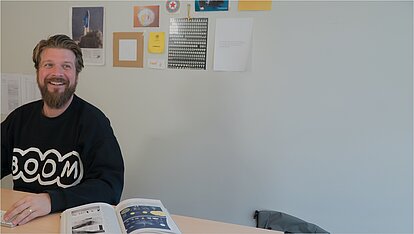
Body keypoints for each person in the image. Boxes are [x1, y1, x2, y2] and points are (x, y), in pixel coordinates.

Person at [1, 34, 125, 226]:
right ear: (38, 72)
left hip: (71, 222)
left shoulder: (94, 123)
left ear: (76, 74)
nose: (56, 73)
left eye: (66, 66)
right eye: (48, 65)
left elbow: (109, 187)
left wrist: (51, 200)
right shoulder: (19, 119)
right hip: (21, 222)